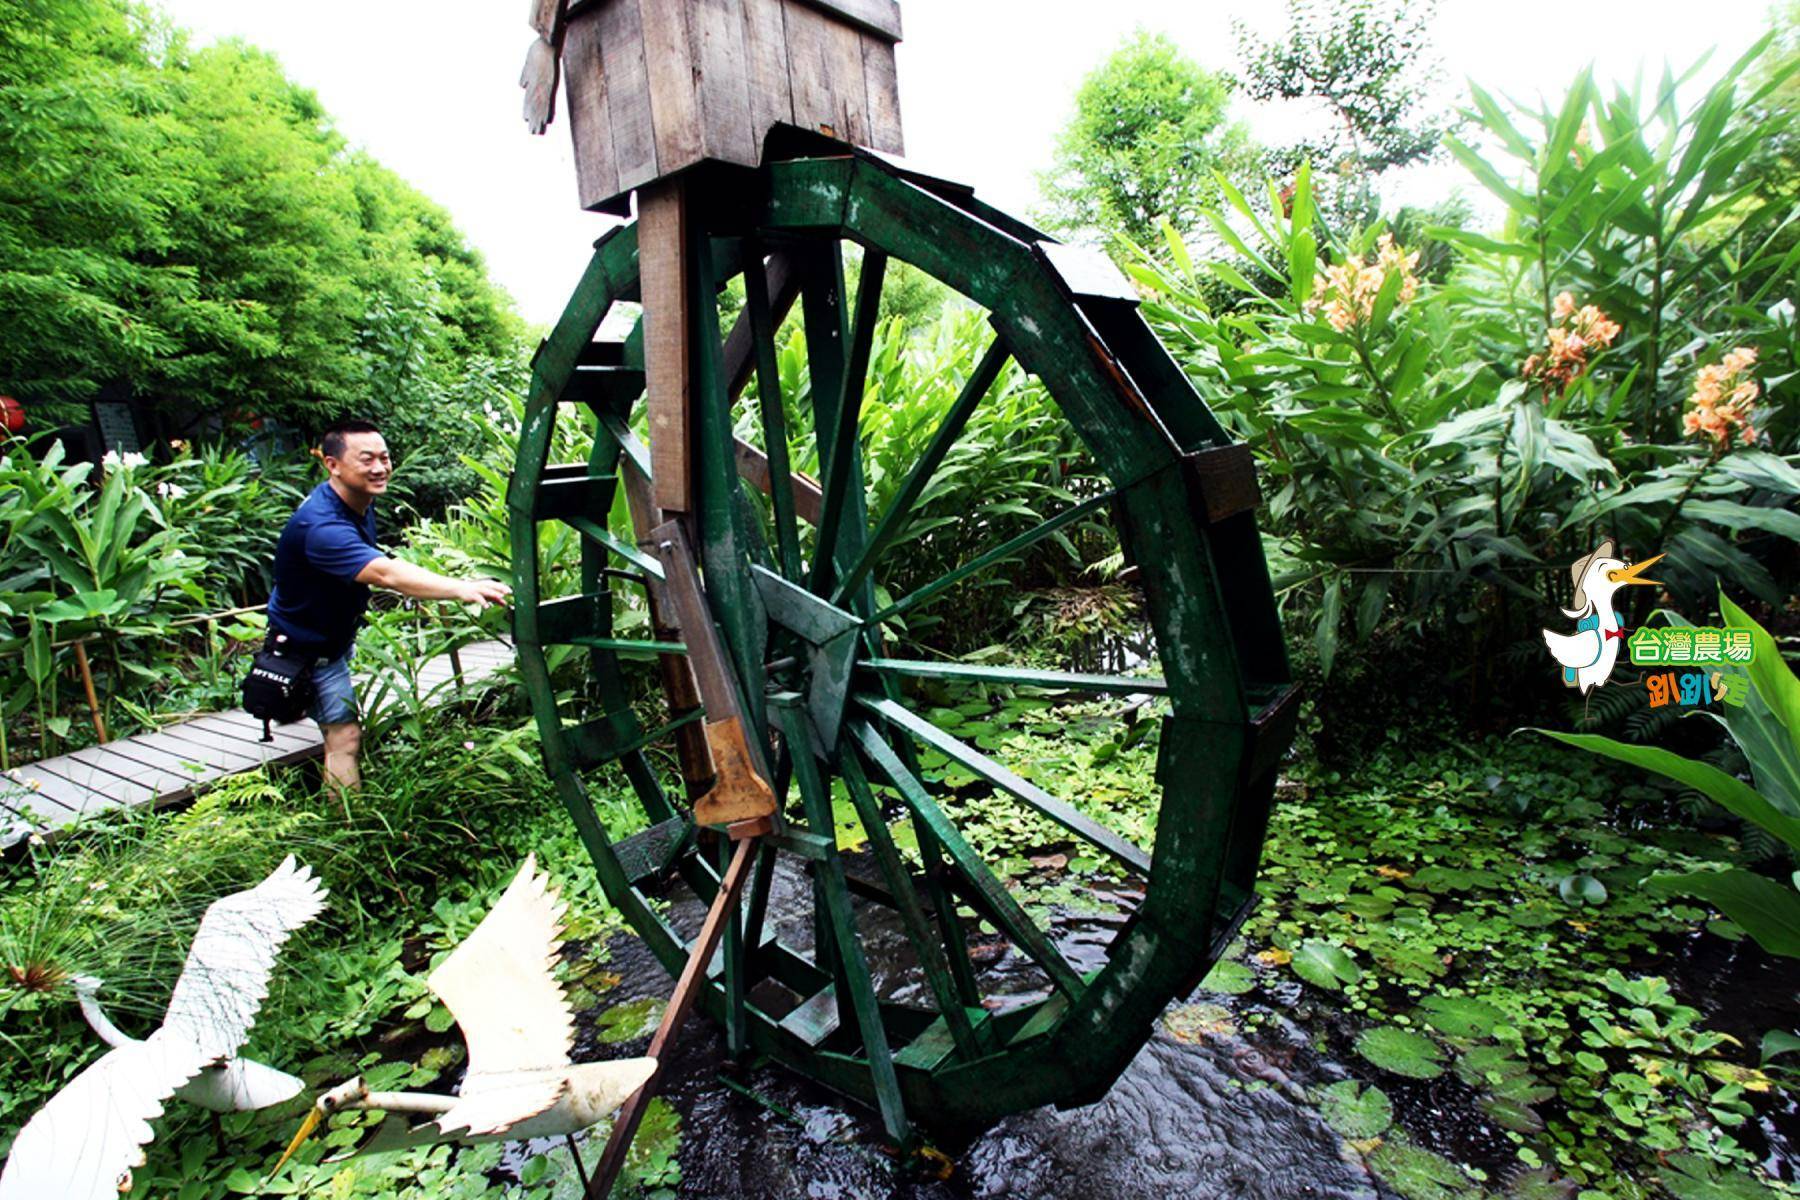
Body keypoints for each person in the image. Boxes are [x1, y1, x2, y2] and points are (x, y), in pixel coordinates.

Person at [266, 419, 511, 792]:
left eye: (384, 457)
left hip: (329, 638)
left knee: (341, 732)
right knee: (344, 737)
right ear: (332, 464)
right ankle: (348, 827)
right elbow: (385, 574)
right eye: (367, 459)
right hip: (308, 649)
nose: (380, 468)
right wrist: (462, 588)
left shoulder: (354, 501)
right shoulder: (321, 526)